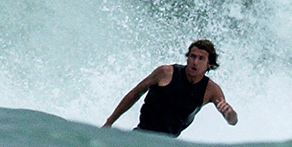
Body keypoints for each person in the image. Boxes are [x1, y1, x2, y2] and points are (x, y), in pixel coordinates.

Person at [102, 40, 238, 136]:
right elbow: (135, 93)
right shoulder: (166, 73)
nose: (195, 62)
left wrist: (229, 113)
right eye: (192, 56)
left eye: (201, 59)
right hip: (142, 135)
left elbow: (232, 121)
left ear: (209, 64)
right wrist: (109, 122)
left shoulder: (211, 90)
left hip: (168, 144)